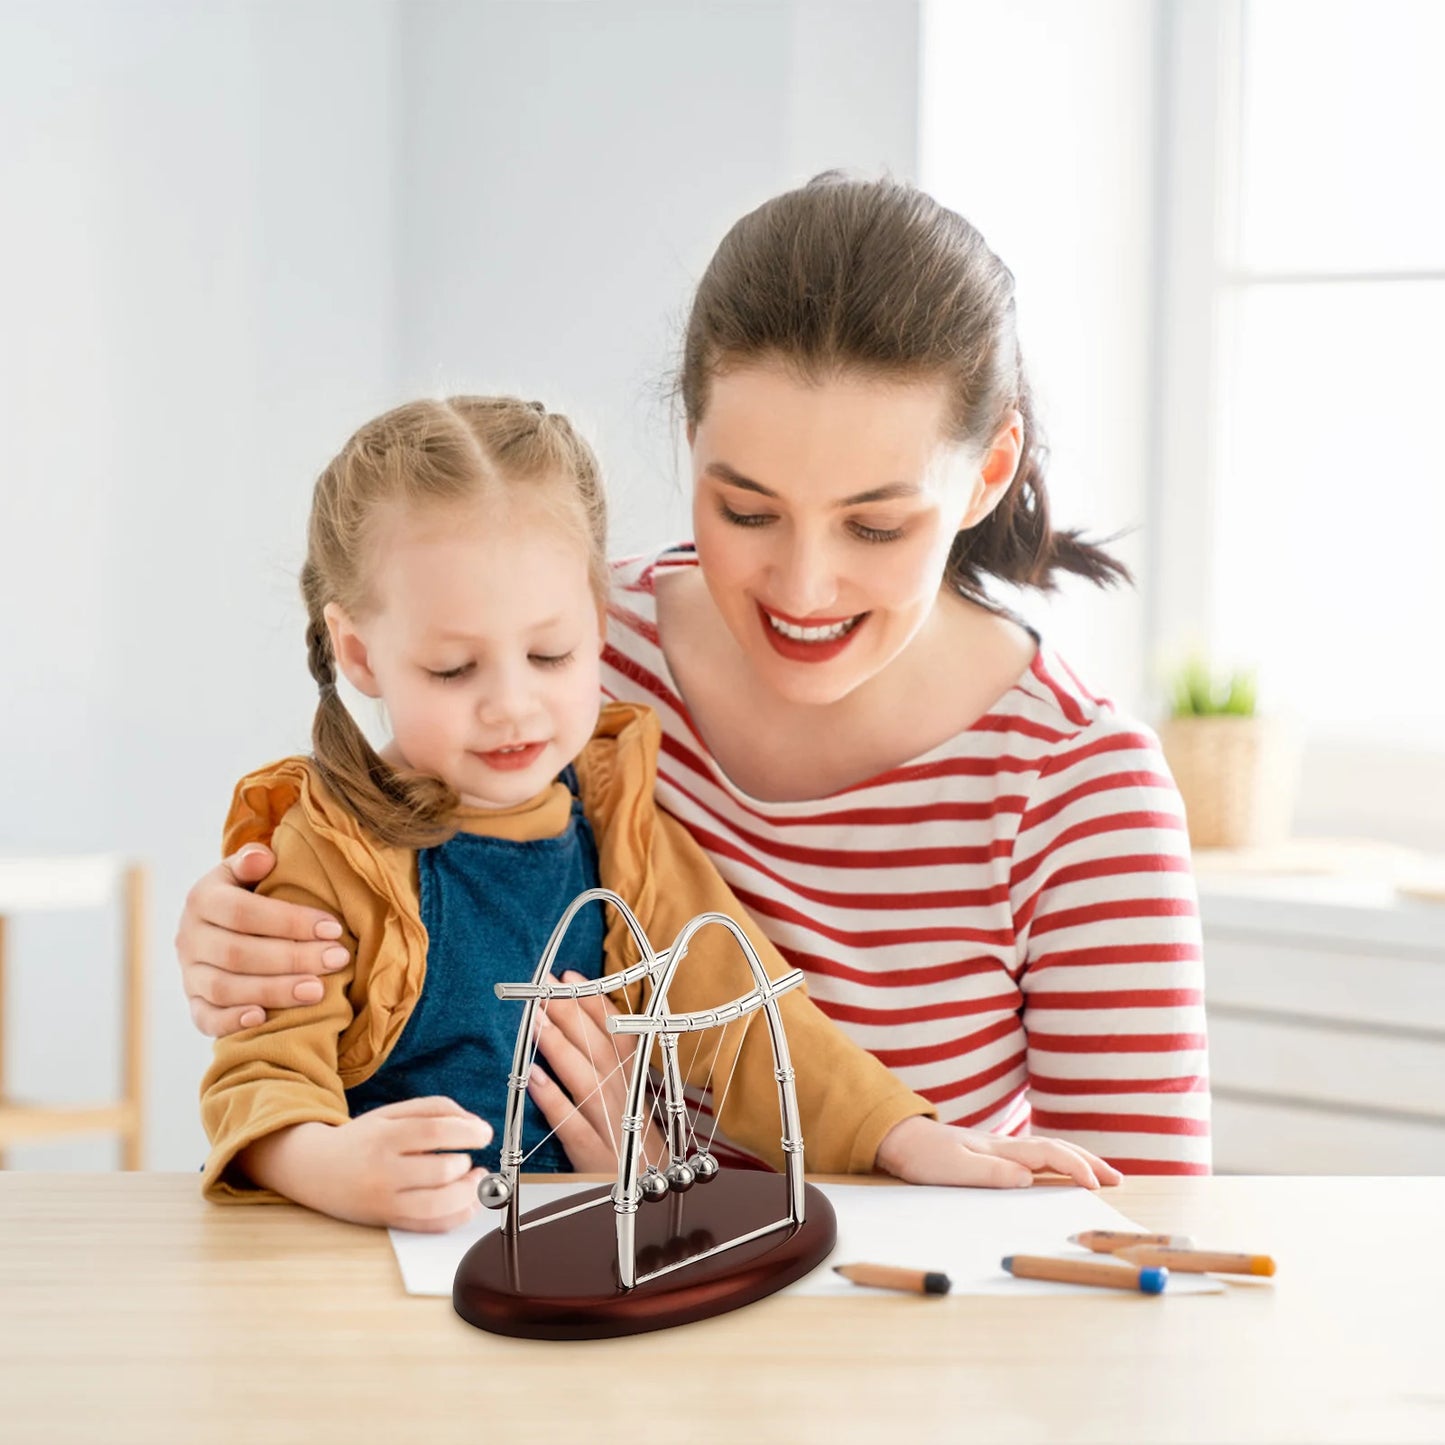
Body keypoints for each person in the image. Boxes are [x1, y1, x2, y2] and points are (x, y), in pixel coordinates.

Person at [179, 174, 1208, 1178]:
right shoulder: (571, 654)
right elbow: (358, 880)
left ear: (985, 473)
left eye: (874, 523)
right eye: (746, 510)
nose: (802, 587)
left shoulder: (1074, 789)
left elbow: (1131, 1260)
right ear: (692, 446)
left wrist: (674, 1194)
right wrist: (246, 938)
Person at [202, 393, 1119, 1233]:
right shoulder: (323, 846)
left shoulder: (622, 826)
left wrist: (909, 1138)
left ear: (598, 622)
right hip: (378, 1291)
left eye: (551, 655)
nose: (512, 705)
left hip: (577, 1271)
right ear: (361, 654)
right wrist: (329, 1164)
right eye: (454, 669)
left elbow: (751, 1019)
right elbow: (260, 1075)